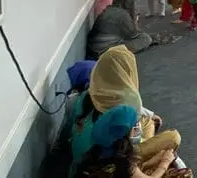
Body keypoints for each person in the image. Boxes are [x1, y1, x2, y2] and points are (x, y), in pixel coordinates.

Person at [69, 46, 182, 174]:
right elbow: (133, 142)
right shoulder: (121, 158)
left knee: (148, 121)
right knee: (173, 137)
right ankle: (146, 161)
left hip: (81, 160)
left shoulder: (89, 94)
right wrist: (164, 162)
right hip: (117, 159)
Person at [71, 104, 189, 178]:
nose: (137, 126)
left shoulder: (97, 150)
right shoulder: (122, 161)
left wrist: (153, 161)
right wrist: (165, 162)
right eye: (135, 125)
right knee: (185, 174)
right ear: (127, 134)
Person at [88, 0, 153, 58]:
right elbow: (133, 35)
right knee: (145, 39)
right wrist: (134, 20)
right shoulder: (123, 14)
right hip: (104, 50)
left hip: (93, 48)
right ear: (128, 3)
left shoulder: (108, 10)